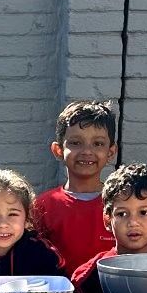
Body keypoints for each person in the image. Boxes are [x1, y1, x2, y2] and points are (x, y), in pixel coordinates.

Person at [33, 100, 118, 271]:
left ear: (111, 152)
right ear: (58, 150)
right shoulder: (42, 206)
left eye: (98, 143)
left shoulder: (120, 204)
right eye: (75, 143)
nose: (87, 151)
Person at [71, 162, 147, 293]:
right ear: (107, 221)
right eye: (121, 214)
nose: (133, 223)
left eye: (144, 212)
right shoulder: (88, 277)